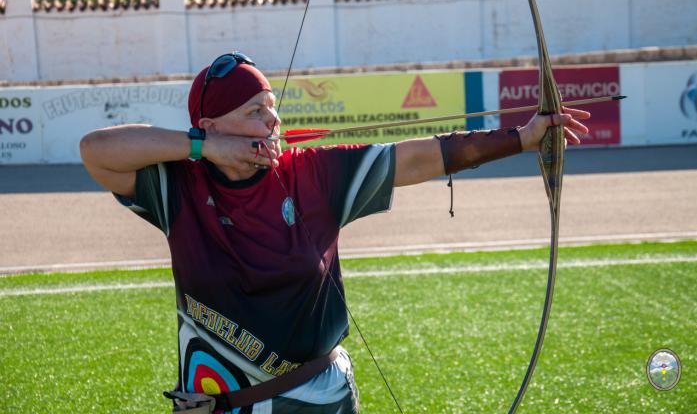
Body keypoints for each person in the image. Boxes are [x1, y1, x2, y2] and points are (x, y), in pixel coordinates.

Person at [80, 52, 589, 414]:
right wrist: (201, 149)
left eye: (272, 105)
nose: (273, 118)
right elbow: (95, 150)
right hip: (218, 401)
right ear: (209, 124)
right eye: (255, 111)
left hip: (318, 400)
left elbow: (412, 157)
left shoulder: (311, 173)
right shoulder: (178, 187)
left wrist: (521, 139)